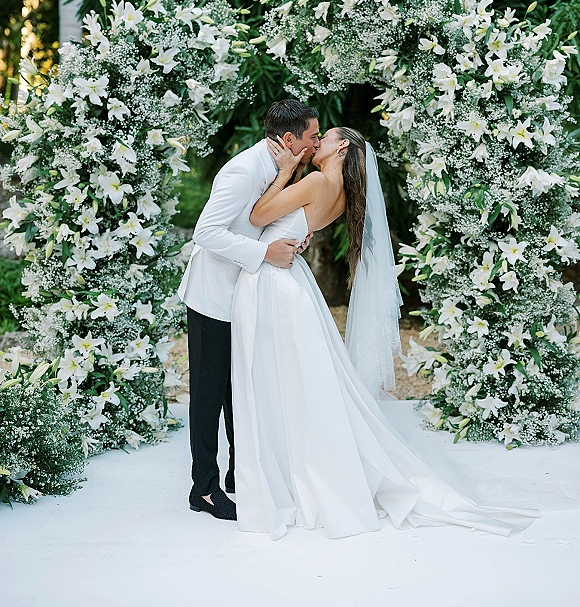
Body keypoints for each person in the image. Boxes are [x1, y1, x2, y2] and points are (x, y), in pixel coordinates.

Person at [230, 126, 539, 540]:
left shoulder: (318, 180)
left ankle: (292, 474)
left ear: (342, 146)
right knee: (296, 381)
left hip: (276, 283)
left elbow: (256, 216)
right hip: (288, 282)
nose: (314, 142)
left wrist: (285, 170)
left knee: (281, 379)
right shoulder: (336, 190)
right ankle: (294, 468)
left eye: (324, 137)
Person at [178, 100, 320, 521]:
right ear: (289, 139)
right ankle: (202, 488)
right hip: (212, 298)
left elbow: (265, 219)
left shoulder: (283, 169)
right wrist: (263, 252)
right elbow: (206, 232)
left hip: (246, 298)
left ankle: (242, 477)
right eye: (312, 136)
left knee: (239, 392)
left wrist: (292, 239)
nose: (316, 143)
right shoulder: (243, 171)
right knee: (208, 396)